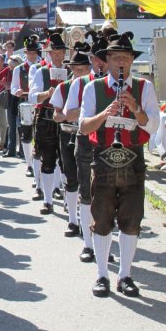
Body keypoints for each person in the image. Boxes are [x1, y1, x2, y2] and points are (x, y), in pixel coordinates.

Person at [79, 31, 160, 298]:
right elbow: (83, 126)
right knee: (101, 219)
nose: (121, 62)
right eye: (116, 58)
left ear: (131, 61)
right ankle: (102, 274)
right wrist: (106, 113)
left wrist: (135, 108)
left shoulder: (144, 87)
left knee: (131, 220)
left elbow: (153, 127)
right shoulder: (94, 87)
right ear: (108, 61)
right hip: (102, 158)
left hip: (133, 158)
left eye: (126, 58)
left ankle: (126, 275)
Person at [64, 30, 112, 263]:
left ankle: (105, 243)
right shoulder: (81, 83)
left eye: (106, 59)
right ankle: (88, 243)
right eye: (98, 59)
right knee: (87, 193)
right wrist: (88, 108)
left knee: (109, 195)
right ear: (92, 60)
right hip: (86, 140)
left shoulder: (119, 84)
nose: (101, 63)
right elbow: (68, 114)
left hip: (111, 142)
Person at [49, 42, 91, 239]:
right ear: (71, 69)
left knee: (88, 180)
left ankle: (89, 222)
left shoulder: (93, 86)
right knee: (70, 175)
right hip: (67, 133)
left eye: (84, 69)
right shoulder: (64, 87)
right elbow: (56, 115)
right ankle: (73, 220)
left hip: (88, 134)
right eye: (76, 69)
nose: (80, 72)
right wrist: (67, 115)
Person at [28, 30, 67, 215]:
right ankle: (47, 199)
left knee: (67, 160)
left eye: (61, 53)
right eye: (55, 53)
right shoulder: (41, 71)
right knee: (47, 158)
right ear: (49, 54)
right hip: (46, 118)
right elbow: (32, 96)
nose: (58, 56)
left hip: (66, 119)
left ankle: (67, 198)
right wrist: (47, 94)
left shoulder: (71, 70)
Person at [10, 36, 42, 179]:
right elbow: (13, 87)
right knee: (26, 134)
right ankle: (29, 164)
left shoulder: (42, 67)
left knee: (40, 135)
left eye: (34, 53)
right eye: (29, 53)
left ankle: (39, 161)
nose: (32, 56)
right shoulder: (19, 69)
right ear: (26, 54)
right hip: (25, 103)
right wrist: (17, 91)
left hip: (40, 104)